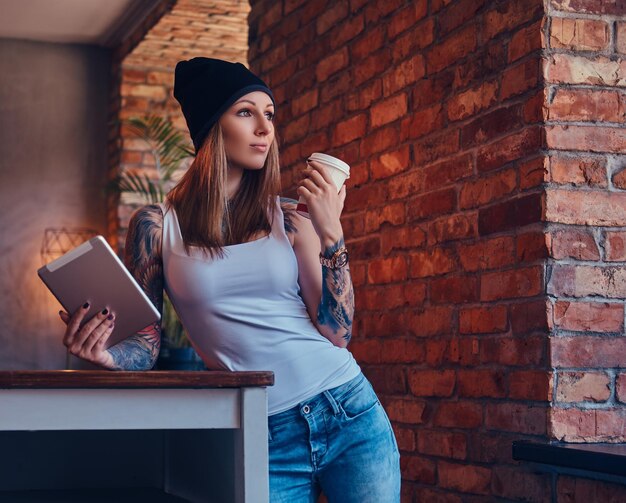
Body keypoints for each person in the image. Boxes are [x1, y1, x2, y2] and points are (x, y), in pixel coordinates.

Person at [59, 57, 400, 502]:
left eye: (269, 114)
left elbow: (338, 332)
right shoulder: (157, 227)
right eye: (245, 112)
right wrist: (105, 356)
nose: (264, 127)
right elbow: (145, 346)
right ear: (210, 128)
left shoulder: (292, 219)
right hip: (264, 431)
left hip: (348, 411)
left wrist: (332, 234)